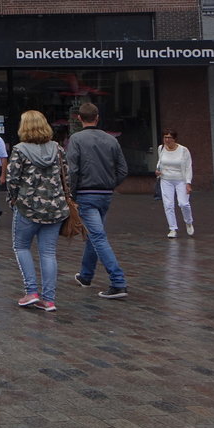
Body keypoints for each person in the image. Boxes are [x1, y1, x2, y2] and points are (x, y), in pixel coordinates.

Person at [6, 110, 70, 312]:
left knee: (21, 246)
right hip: (55, 208)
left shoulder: (19, 150)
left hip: (28, 207)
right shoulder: (57, 149)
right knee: (48, 253)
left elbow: (12, 179)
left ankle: (31, 291)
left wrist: (13, 200)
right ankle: (49, 299)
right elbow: (66, 177)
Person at [67, 103, 129, 299]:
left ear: (79, 118)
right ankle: (86, 275)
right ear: (97, 117)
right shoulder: (111, 140)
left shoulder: (76, 139)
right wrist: (111, 184)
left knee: (98, 237)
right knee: (95, 234)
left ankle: (118, 282)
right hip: (105, 194)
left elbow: (72, 170)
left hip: (86, 194)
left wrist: (71, 194)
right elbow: (123, 169)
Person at [156, 129, 195, 238]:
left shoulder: (183, 150)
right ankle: (172, 228)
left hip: (180, 180)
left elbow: (188, 167)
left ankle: (188, 222)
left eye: (169, 138)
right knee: (168, 204)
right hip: (166, 179)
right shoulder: (161, 148)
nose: (167, 140)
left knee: (183, 203)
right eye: (165, 137)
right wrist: (157, 170)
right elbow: (160, 162)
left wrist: (188, 183)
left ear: (175, 139)